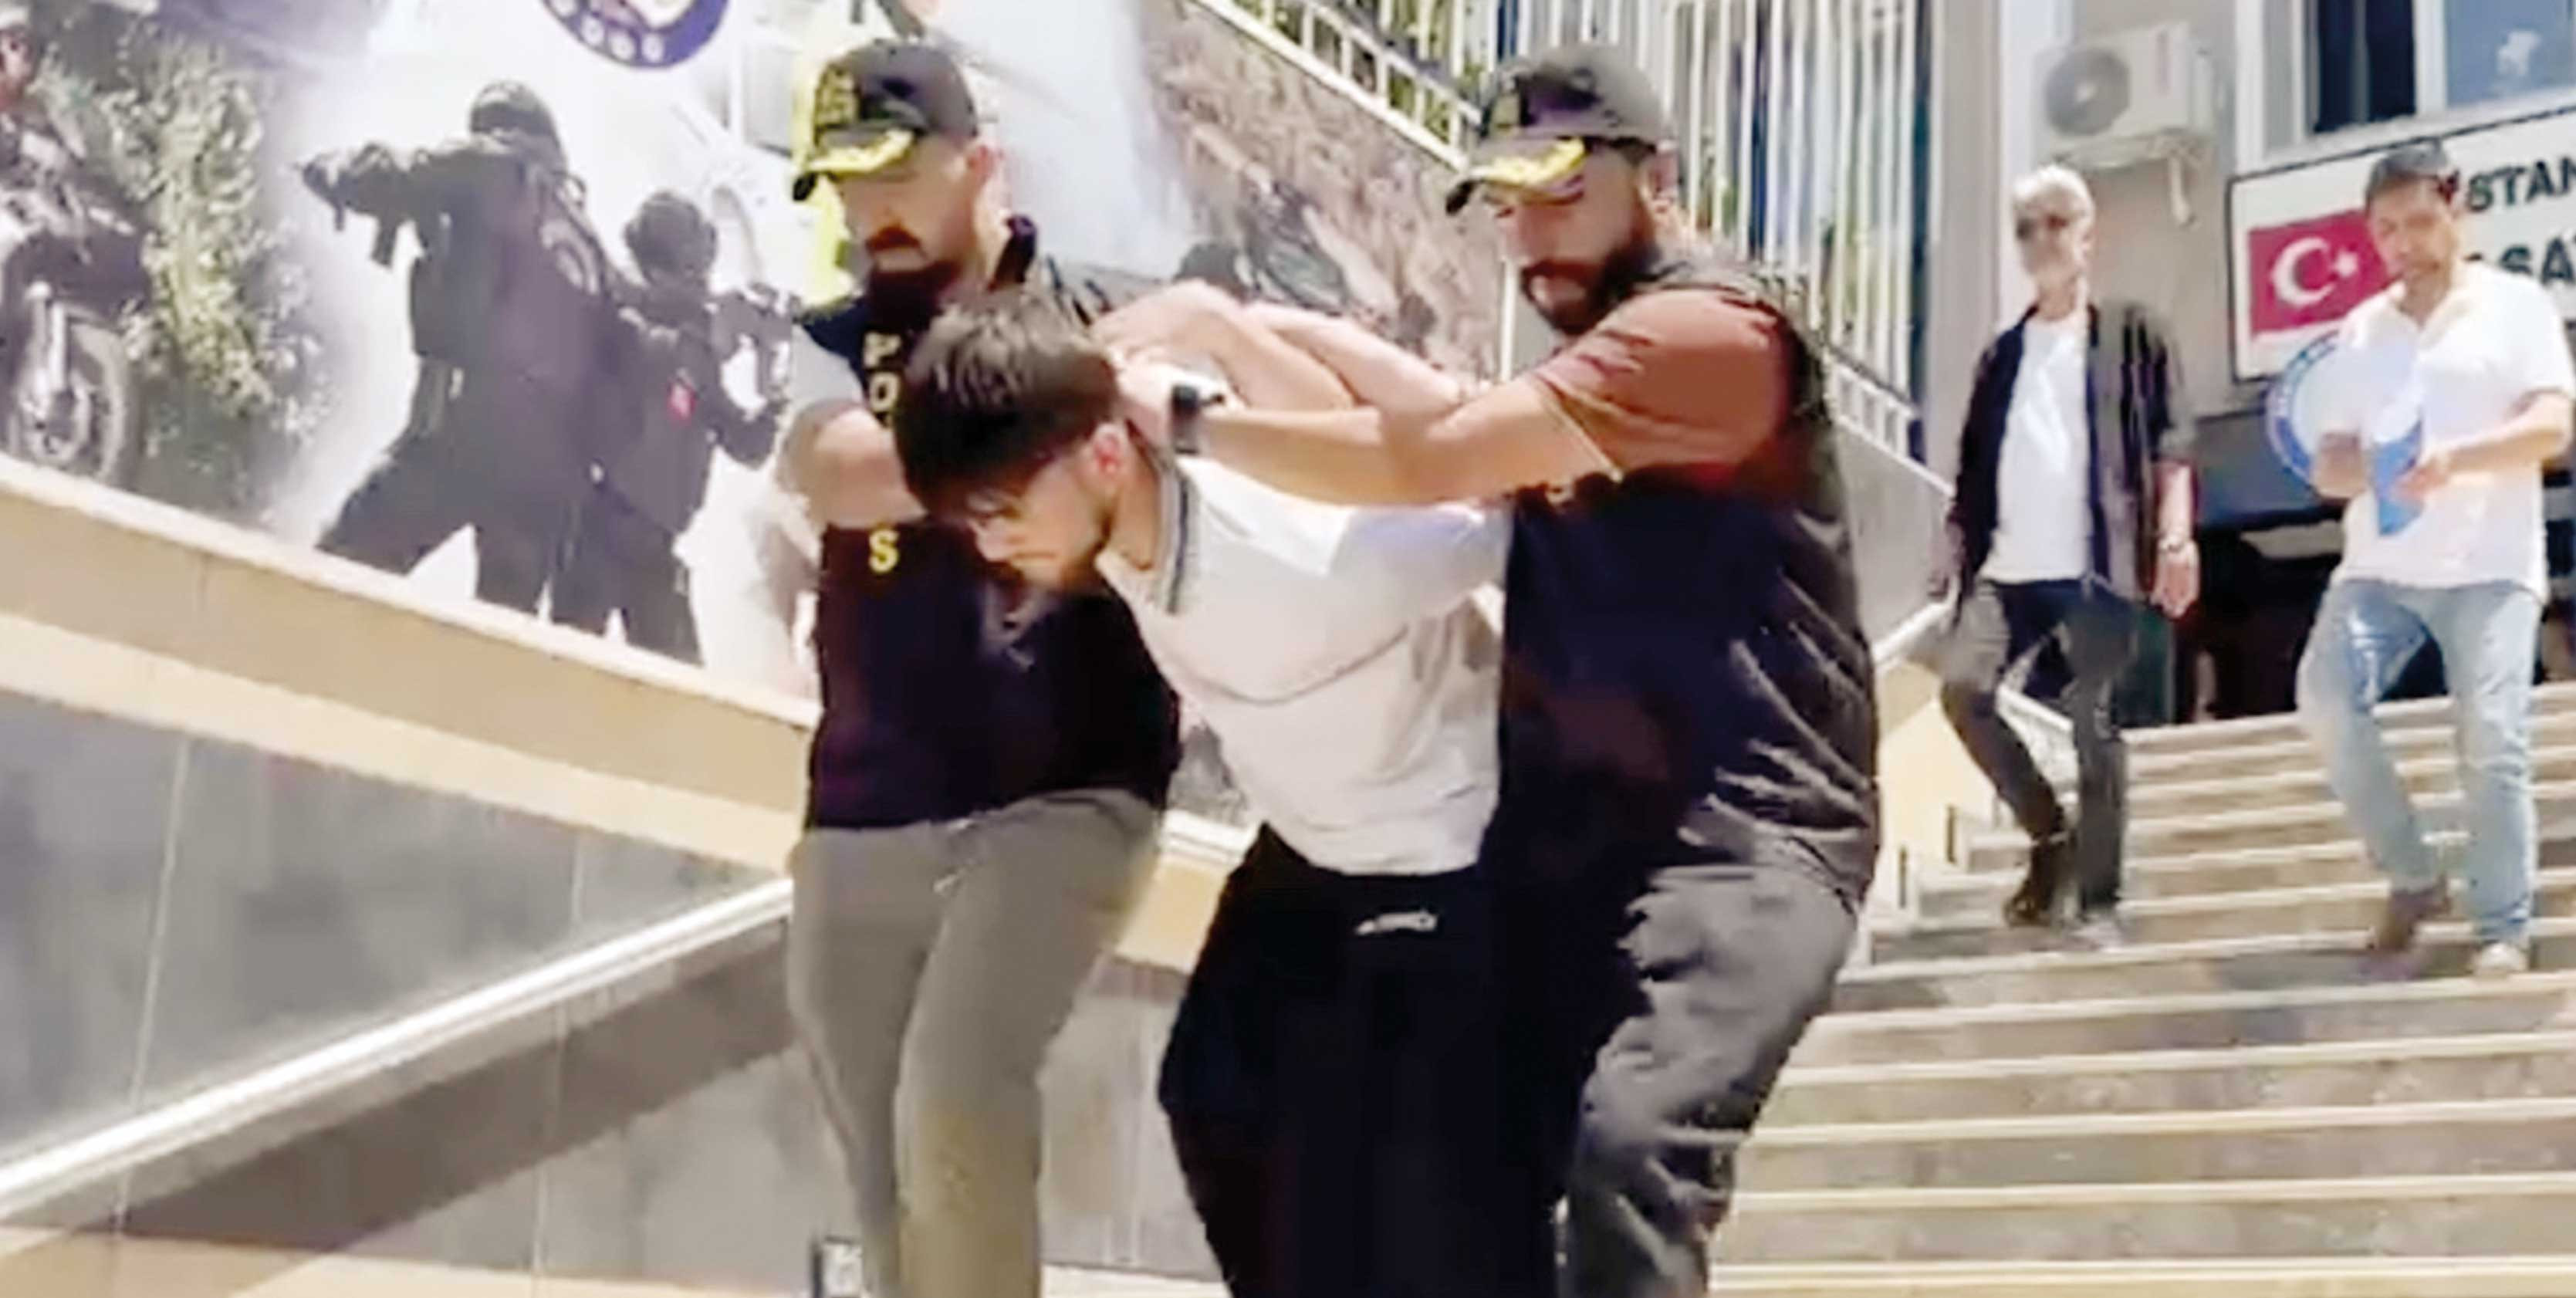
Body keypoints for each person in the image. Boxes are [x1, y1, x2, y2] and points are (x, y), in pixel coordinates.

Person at [1104, 42, 1878, 1298]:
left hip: (1737, 840)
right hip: (1565, 837)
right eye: (1507, 206)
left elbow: (1432, 453)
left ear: (1657, 178)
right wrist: (1242, 325)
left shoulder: (1710, 335)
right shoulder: (1596, 365)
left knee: (1627, 1156)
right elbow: (1439, 407)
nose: (1529, 237)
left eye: (1561, 195)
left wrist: (1190, 416)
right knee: (1268, 1097)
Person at [893, 289, 1509, 1298]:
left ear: (1102, 456)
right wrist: (1227, 330)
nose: (991, 547)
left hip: (1439, 857)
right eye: (969, 521)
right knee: (1213, 1094)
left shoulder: (1299, 571)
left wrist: (1228, 321)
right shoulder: (1128, 441)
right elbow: (1326, 433)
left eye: (1002, 512)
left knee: (1390, 1193)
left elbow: (1483, 495)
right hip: (1308, 839)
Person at [772, 41, 1182, 1298]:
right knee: (884, 1180)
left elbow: (1192, 429)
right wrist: (1028, 428)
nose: (870, 211)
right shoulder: (830, 339)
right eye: (845, 184)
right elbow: (837, 472)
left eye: (894, 173)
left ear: (979, 162)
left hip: (1065, 784)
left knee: (955, 1093)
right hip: (863, 804)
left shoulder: (1097, 309)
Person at [2296, 140, 2575, 981]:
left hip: (2490, 565)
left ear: (2458, 210)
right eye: (2385, 230)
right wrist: (2367, 471)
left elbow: (2552, 426)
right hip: (2378, 568)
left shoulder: (2515, 304)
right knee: (2324, 697)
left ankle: (2502, 924)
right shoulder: (2360, 329)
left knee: (2491, 739)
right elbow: (2328, 462)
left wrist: (2455, 457)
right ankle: (2414, 879)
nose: (2402, 244)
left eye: (2418, 222)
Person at [1936, 164, 2199, 943]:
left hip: (2097, 562)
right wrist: (1951, 549)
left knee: (2094, 720)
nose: (2041, 239)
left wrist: (2175, 536)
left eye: (2056, 222)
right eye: (2027, 228)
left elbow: (2172, 443)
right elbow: (1973, 467)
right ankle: (2049, 837)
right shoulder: (2002, 356)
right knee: (1962, 689)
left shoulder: (2133, 332)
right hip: (2007, 568)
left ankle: (2098, 902)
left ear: (2088, 235)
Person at [302, 82, 615, 614]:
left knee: (336, 576)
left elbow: (393, 176)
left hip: (469, 425)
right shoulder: (586, 236)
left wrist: (328, 170)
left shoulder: (492, 162)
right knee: (500, 633)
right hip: (552, 466)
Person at [549, 191, 783, 662]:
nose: (702, 284)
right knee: (564, 665)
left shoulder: (694, 346)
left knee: (680, 683)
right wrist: (714, 332)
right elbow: (649, 358)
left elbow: (744, 443)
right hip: (598, 525)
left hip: (654, 544)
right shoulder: (620, 311)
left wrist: (777, 395)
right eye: (691, 272)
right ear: (656, 270)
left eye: (704, 272)